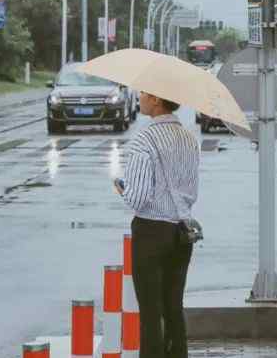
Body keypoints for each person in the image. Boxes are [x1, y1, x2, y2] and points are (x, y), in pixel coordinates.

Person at [116, 91, 200, 358]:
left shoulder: (145, 139)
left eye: (142, 93)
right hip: (182, 232)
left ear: (155, 99)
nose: (139, 97)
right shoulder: (189, 138)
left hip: (151, 231)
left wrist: (122, 190)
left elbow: (137, 199)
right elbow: (191, 190)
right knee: (174, 308)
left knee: (151, 315)